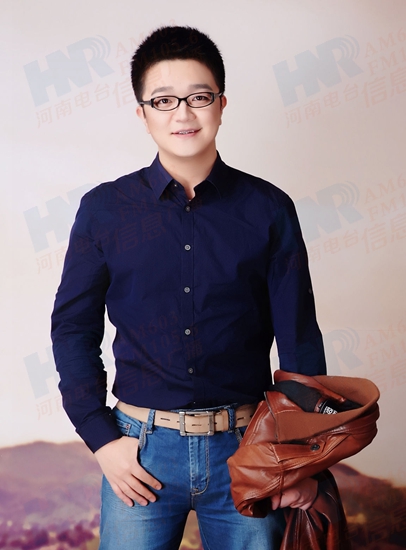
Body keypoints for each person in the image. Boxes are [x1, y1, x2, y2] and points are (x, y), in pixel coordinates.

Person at [51, 25, 326, 550]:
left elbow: (300, 343)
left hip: (248, 449)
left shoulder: (268, 208)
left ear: (221, 104)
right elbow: (72, 330)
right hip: (139, 452)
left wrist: (297, 460)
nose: (183, 114)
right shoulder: (105, 210)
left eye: (199, 97)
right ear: (143, 114)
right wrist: (102, 440)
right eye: (163, 100)